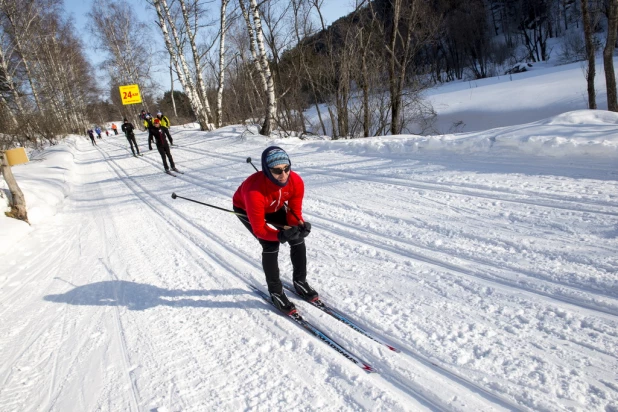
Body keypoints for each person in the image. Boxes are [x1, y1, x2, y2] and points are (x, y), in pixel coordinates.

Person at [232, 146, 314, 314]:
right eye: (277, 171)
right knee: (270, 245)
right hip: (246, 208)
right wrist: (280, 234)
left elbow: (294, 213)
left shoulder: (296, 181)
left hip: (274, 206)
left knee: (297, 237)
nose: (283, 174)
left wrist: (299, 224)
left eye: (286, 168)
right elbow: (261, 230)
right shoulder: (254, 192)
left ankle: (300, 281)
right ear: (267, 171)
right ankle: (276, 292)